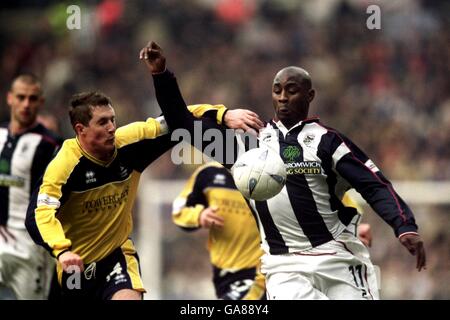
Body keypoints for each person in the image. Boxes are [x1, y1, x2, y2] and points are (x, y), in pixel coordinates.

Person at [143, 41, 426, 300]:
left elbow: (374, 184)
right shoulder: (246, 142)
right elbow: (182, 124)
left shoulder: (328, 141)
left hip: (337, 257)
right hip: (283, 265)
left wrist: (404, 226)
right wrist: (161, 74)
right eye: (277, 90)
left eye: (292, 90)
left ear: (310, 95)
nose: (282, 97)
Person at [25, 67, 262, 299]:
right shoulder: (63, 166)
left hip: (116, 257)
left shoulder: (128, 145)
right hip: (74, 264)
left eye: (112, 120)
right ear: (81, 129)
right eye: (103, 122)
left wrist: (221, 114)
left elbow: (175, 119)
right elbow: (39, 214)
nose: (111, 128)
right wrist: (62, 250)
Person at [0, 74, 63, 299]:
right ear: (10, 98)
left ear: (40, 102)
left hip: (31, 248)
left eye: (32, 98)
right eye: (21, 97)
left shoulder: (52, 145)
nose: (26, 104)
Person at [172, 161, 265, 300]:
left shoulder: (268, 176)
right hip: (222, 273)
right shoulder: (208, 174)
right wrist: (199, 215)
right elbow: (179, 211)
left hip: (258, 272)